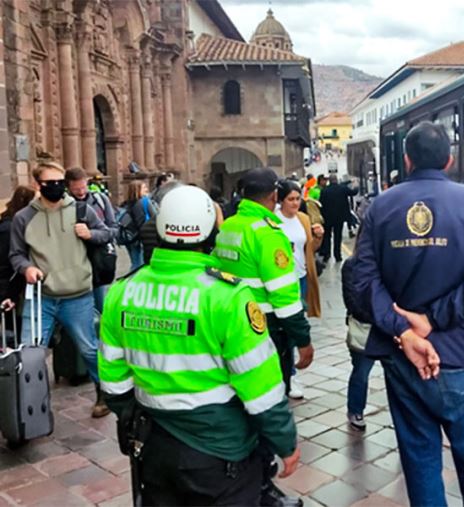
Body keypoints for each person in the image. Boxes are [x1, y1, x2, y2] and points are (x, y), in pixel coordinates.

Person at [98, 186, 300, 505]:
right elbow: (262, 389)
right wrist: (285, 442)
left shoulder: (122, 292)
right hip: (221, 450)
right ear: (209, 231)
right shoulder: (228, 297)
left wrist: (147, 419)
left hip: (154, 449)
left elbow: (112, 384)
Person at [352, 122, 464, 506]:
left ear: (406, 160)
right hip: (460, 354)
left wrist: (405, 331)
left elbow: (364, 282)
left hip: (403, 356)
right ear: (450, 159)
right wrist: (433, 319)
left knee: (420, 466)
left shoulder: (381, 206)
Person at [214, 167, 314, 507]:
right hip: (268, 328)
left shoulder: (229, 226)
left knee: (241, 401)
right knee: (270, 399)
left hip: (233, 324)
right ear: (273, 196)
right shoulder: (267, 234)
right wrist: (303, 339)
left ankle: (244, 476)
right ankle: (262, 484)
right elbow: (286, 298)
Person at [9, 161, 111, 418]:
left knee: (88, 348)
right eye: (50, 183)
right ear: (38, 185)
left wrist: (90, 234)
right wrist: (26, 269)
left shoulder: (80, 210)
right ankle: (28, 407)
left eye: (60, 182)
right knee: (30, 352)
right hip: (41, 297)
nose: (56, 187)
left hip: (78, 295)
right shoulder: (24, 218)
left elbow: (108, 233)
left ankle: (103, 392)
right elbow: (17, 254)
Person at [276, 180, 324, 400]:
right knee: (284, 328)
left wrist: (318, 238)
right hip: (281, 280)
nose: (295, 203)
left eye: (298, 199)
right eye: (291, 199)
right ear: (281, 200)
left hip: (301, 277)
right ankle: (287, 372)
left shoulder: (303, 219)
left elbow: (309, 249)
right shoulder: (272, 221)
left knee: (297, 325)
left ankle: (292, 373)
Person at [65, 167, 119, 313]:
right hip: (73, 263)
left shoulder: (101, 200)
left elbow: (113, 230)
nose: (81, 192)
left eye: (83, 187)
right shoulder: (63, 205)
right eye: (76, 189)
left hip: (97, 260)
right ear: (68, 187)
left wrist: (92, 234)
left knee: (101, 304)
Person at [341, 230, 375, 431]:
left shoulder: (391, 263)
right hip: (364, 326)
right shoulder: (352, 266)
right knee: (361, 371)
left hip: (388, 328)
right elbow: (351, 300)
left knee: (397, 376)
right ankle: (355, 409)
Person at [0, 185, 36, 339]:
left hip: (10, 283)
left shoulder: (9, 224)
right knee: (12, 328)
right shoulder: (10, 228)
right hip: (7, 285)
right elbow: (6, 262)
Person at [318, 174, 358, 263]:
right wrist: (356, 186)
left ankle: (327, 254)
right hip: (339, 217)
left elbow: (321, 204)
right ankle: (338, 255)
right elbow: (353, 192)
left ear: (329, 181)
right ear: (336, 180)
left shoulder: (325, 191)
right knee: (337, 236)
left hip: (327, 218)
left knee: (327, 236)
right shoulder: (342, 188)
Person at [122, 180, 156, 271]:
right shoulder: (144, 202)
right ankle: (132, 282)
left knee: (135, 262)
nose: (146, 189)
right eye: (144, 187)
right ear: (137, 190)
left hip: (131, 237)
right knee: (139, 265)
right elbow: (154, 217)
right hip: (140, 238)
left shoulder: (127, 204)